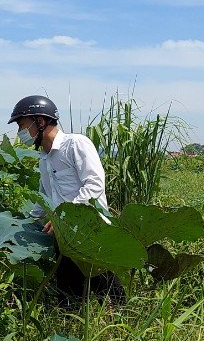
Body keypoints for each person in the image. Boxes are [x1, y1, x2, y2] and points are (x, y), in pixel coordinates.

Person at [8, 94, 123, 302]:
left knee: (109, 294)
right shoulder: (43, 158)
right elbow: (44, 198)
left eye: (22, 125)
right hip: (63, 237)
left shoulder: (76, 144)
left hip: (91, 231)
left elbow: (95, 184)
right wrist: (25, 225)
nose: (20, 133)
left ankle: (126, 325)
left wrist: (65, 215)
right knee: (68, 299)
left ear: (40, 121)